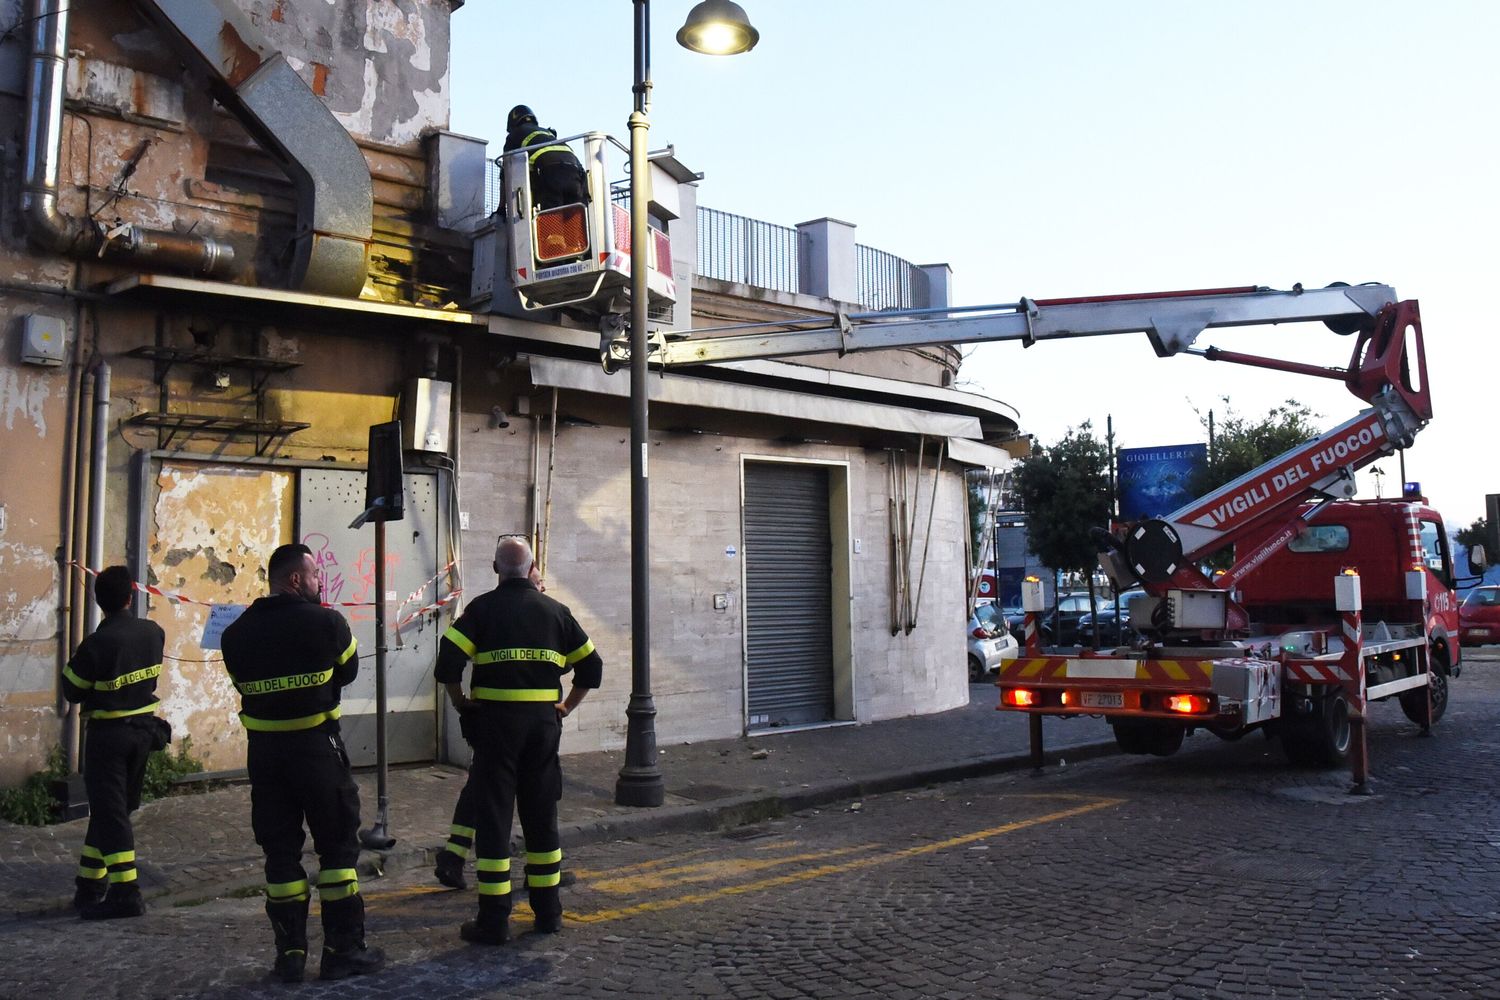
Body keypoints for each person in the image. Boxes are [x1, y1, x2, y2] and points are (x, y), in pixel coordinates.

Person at [220, 544, 385, 984]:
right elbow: (347, 672)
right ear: (295, 579)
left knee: (280, 854)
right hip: (317, 752)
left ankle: (289, 954)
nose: (319, 582)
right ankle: (343, 951)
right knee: (336, 851)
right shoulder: (327, 623)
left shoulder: (234, 635)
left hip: (266, 758)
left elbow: (244, 686)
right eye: (314, 575)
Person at [436, 535, 602, 944]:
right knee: (542, 815)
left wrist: (462, 704)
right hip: (542, 729)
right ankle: (548, 912)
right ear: (531, 571)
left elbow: (447, 665)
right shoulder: (556, 612)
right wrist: (565, 707)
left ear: (496, 569)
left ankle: (494, 920)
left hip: (494, 728)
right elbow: (592, 667)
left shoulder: (482, 610)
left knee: (493, 818)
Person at [61, 565, 168, 920]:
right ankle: (89, 884)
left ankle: (126, 892)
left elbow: (72, 690)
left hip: (109, 737)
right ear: (130, 597)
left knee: (111, 813)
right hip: (142, 732)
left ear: (98, 601)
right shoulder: (153, 632)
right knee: (112, 811)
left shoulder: (97, 643)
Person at [503, 104, 587, 210]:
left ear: (512, 125)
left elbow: (506, 174)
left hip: (551, 173)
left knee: (550, 219)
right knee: (575, 218)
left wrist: (501, 209)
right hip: (576, 176)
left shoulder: (514, 135)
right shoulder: (548, 134)